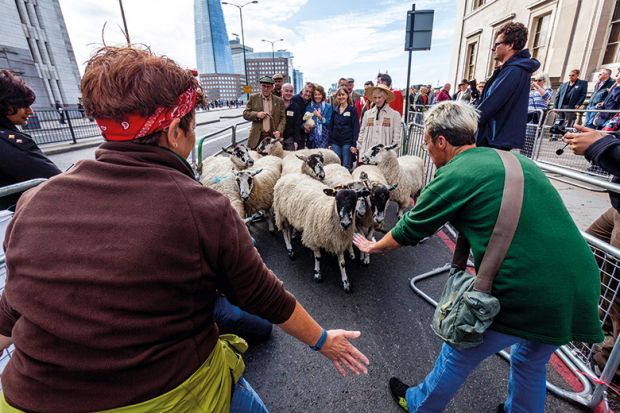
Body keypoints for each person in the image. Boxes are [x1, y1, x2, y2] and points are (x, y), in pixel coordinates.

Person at [0, 46, 370, 413]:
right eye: (191, 125)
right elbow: (262, 293)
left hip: (27, 399)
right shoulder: (201, 208)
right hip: (169, 395)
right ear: (177, 130)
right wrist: (323, 340)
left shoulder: (34, 201)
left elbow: (12, 308)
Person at [354, 100, 603, 413]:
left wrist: (372, 246)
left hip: (524, 288)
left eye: (428, 143)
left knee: (459, 352)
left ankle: (418, 404)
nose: (428, 151)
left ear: (441, 141)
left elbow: (409, 229)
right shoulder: (515, 161)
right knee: (530, 359)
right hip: (579, 283)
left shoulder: (455, 174)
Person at [564, 124, 619, 377]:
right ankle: (599, 323)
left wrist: (600, 147)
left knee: (618, 286)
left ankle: (612, 364)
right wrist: (604, 139)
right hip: (617, 206)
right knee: (587, 253)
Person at [0, 69, 61, 210]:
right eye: (24, 105)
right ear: (6, 106)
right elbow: (55, 180)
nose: (30, 111)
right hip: (18, 215)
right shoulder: (11, 143)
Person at [477, 22, 540, 150]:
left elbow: (491, 104)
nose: (493, 49)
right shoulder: (508, 70)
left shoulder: (514, 71)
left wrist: (463, 123)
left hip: (495, 141)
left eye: (496, 44)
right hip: (492, 139)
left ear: (510, 45)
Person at [357, 84, 402, 155]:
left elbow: (396, 137)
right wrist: (360, 147)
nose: (377, 100)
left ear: (385, 97)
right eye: (375, 97)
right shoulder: (367, 114)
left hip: (384, 156)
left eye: (379, 97)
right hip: (368, 154)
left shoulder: (395, 115)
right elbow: (362, 131)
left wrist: (391, 153)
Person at [243, 75, 285, 149]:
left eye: (268, 86)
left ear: (272, 87)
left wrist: (279, 131)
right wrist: (257, 115)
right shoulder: (253, 98)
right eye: (263, 86)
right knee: (255, 159)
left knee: (271, 160)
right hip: (256, 137)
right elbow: (245, 113)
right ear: (260, 86)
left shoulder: (279, 100)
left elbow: (283, 118)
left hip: (272, 137)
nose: (266, 89)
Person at [328, 87, 359, 169]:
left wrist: (354, 144)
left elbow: (356, 127)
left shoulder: (352, 110)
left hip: (347, 142)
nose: (341, 97)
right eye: (339, 95)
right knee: (336, 165)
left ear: (347, 96)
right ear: (337, 97)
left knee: (346, 165)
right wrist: (329, 143)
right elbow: (331, 127)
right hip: (335, 142)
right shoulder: (335, 110)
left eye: (343, 94)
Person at [283, 81, 315, 150]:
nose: (308, 94)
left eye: (310, 92)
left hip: (303, 134)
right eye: (306, 91)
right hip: (292, 133)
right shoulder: (294, 99)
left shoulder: (310, 102)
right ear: (302, 90)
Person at [306, 84, 333, 149]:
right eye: (315, 94)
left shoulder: (328, 107)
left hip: (325, 138)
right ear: (313, 95)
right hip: (312, 139)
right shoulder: (309, 106)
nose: (317, 96)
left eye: (319, 94)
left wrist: (320, 117)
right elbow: (304, 121)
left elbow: (330, 123)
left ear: (322, 95)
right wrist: (307, 126)